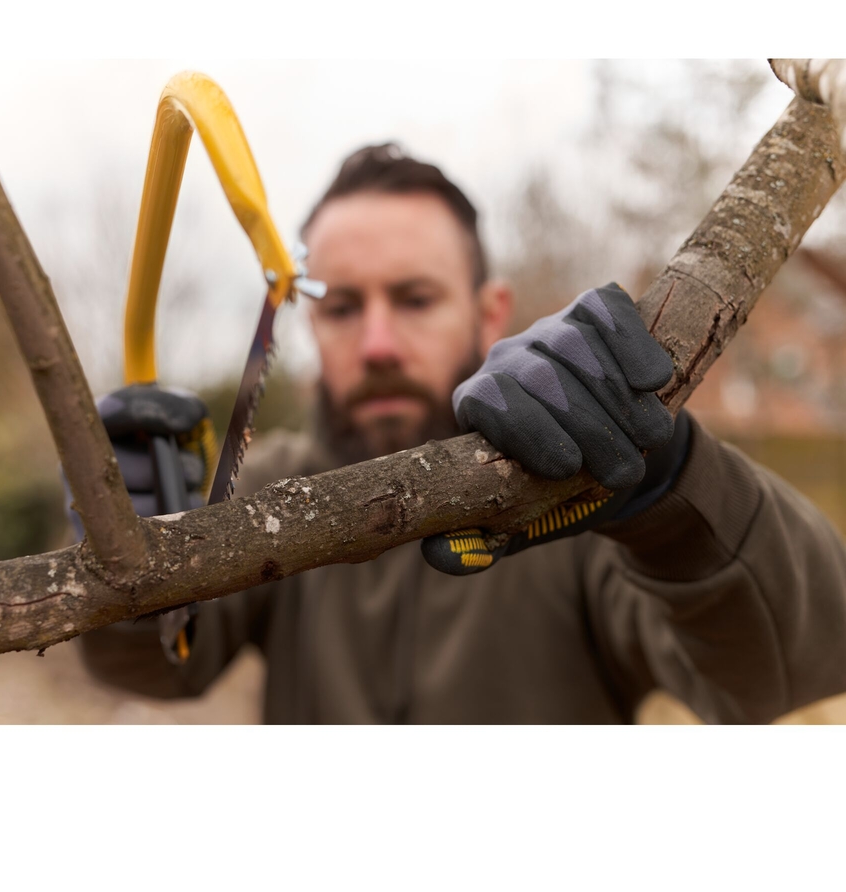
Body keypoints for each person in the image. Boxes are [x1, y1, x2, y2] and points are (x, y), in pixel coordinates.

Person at [78, 143, 846, 724]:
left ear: (488, 312)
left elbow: (787, 670)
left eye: (414, 299)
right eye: (343, 308)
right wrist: (129, 564)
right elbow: (156, 667)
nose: (377, 343)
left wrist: (671, 489)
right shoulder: (266, 491)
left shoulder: (575, 500)